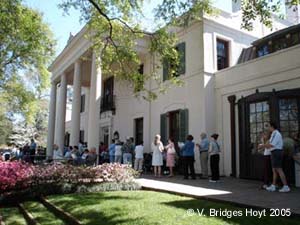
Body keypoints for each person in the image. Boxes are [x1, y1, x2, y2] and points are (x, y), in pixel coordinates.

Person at [260, 122, 290, 192]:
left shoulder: (276, 134)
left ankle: (286, 186)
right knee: (274, 170)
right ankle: (273, 185)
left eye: (269, 126)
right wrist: (264, 144)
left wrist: (262, 146)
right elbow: (268, 144)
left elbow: (271, 145)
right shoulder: (273, 134)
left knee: (279, 169)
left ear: (272, 126)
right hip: (274, 152)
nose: (268, 128)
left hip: (277, 152)